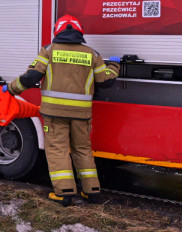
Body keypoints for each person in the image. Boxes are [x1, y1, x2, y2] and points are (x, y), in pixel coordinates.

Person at [6, 14, 120, 206]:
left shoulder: (49, 51)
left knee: (58, 150)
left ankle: (64, 192)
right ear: (79, 31)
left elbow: (31, 77)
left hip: (54, 114)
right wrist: (115, 65)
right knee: (83, 150)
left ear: (56, 31)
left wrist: (11, 88)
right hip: (82, 115)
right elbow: (106, 80)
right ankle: (91, 191)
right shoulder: (92, 54)